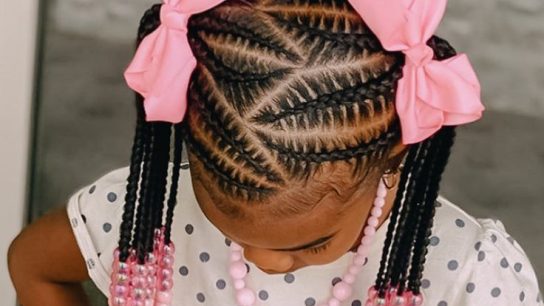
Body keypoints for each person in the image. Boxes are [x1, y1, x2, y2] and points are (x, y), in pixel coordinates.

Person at [8, 0, 543, 305]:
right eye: (229, 231)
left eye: (310, 244)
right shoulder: (149, 217)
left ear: (395, 151)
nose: (263, 263)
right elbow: (33, 265)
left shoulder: (465, 275)